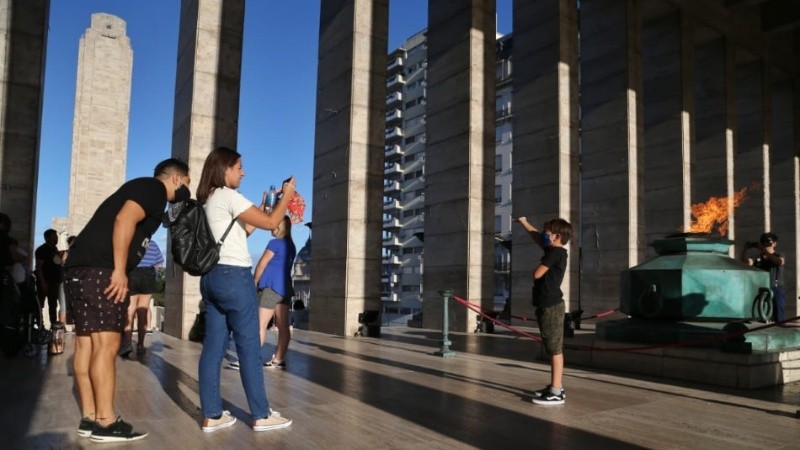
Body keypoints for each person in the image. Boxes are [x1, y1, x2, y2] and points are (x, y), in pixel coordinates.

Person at [64, 158, 191, 442]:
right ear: (176, 179)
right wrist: (120, 270)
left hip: (80, 270)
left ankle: (90, 417)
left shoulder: (144, 191)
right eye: (187, 182)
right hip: (102, 270)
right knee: (107, 346)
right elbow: (124, 219)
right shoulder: (154, 189)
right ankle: (106, 423)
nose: (187, 188)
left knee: (86, 344)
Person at [196, 146, 293, 433]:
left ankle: (212, 415)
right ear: (225, 169)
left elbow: (243, 231)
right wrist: (287, 195)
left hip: (211, 277)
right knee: (249, 347)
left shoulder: (209, 199)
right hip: (234, 277)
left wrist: (262, 207)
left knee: (213, 348)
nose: (243, 173)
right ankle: (261, 415)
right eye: (239, 168)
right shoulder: (228, 195)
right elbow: (272, 223)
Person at [514, 216, 573, 406]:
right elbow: (535, 236)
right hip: (548, 305)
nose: (543, 235)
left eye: (547, 232)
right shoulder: (554, 251)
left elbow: (537, 273)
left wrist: (540, 266)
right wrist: (524, 222)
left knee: (555, 349)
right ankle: (556, 387)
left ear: (556, 237)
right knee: (552, 347)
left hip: (551, 307)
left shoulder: (555, 253)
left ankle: (556, 392)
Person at [253, 215, 296, 369]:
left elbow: (261, 264)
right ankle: (278, 359)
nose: (271, 226)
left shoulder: (274, 243)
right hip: (285, 288)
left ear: (279, 227)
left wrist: (254, 281)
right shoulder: (291, 246)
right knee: (283, 326)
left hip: (271, 288)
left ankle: (250, 359)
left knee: (260, 325)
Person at [119, 240, 164, 357]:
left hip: (133, 273)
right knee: (143, 311)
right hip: (148, 275)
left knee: (130, 310)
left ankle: (127, 343)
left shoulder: (131, 242)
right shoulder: (153, 244)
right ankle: (140, 345)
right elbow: (159, 264)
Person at [742, 232, 786, 323]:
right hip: (762, 288)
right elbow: (747, 262)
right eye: (765, 241)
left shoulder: (778, 254)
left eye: (770, 241)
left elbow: (780, 262)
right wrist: (745, 249)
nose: (767, 243)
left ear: (774, 243)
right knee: (762, 312)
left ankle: (780, 327)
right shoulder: (758, 257)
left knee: (778, 312)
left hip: (776, 287)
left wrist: (766, 252)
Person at [35, 229, 63, 328]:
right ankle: (40, 326)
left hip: (55, 282)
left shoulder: (54, 249)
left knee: (53, 305)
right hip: (45, 281)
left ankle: (53, 325)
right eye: (54, 236)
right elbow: (39, 267)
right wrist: (43, 282)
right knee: (40, 304)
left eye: (56, 236)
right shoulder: (42, 250)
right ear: (47, 237)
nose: (56, 238)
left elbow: (58, 262)